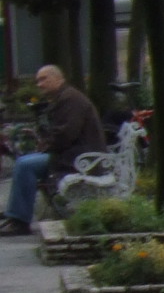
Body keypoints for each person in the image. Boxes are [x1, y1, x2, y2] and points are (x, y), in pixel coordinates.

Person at [1, 63, 107, 234]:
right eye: (38, 81)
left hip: (80, 158)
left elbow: (66, 134)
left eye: (44, 79)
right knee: (25, 162)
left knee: (25, 165)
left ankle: (20, 220)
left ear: (58, 79)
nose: (39, 84)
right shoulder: (65, 97)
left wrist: (46, 147)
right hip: (75, 154)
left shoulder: (70, 99)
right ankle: (15, 214)